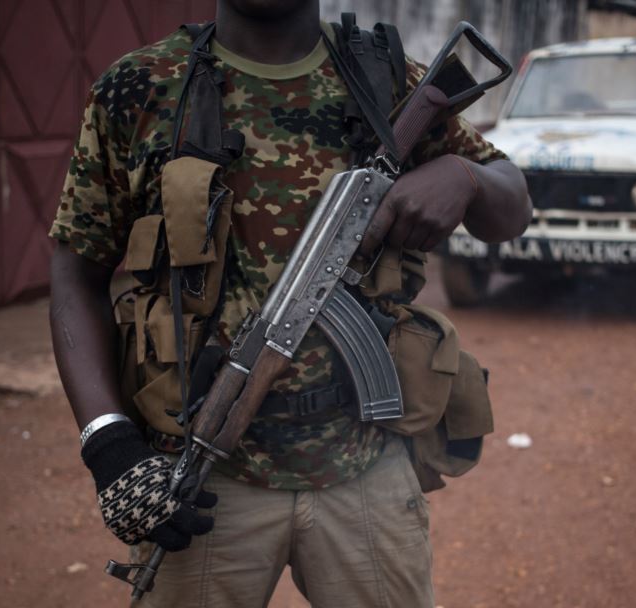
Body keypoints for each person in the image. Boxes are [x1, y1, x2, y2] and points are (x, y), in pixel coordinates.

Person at [48, 1, 531, 606]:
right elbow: (74, 275)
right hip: (200, 480)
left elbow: (514, 203)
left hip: (365, 468)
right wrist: (109, 444)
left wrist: (466, 176)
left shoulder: (386, 79)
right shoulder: (139, 88)